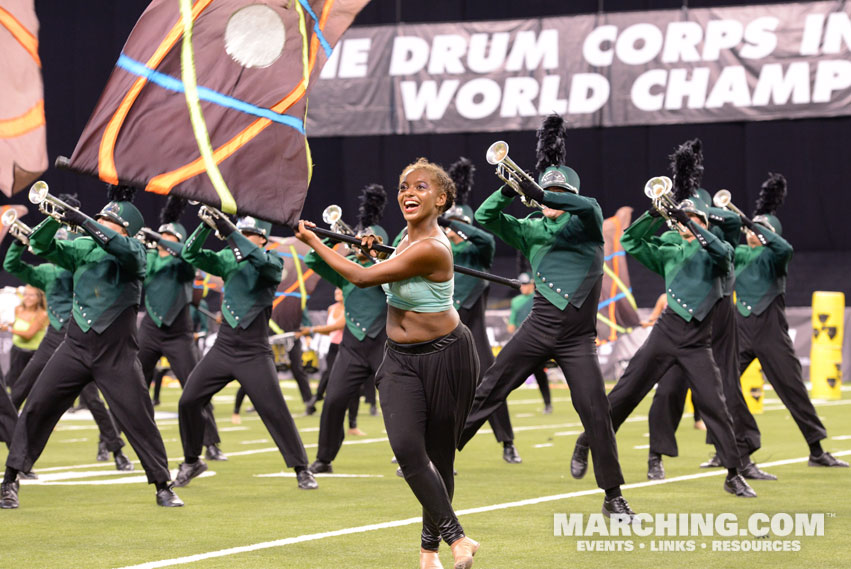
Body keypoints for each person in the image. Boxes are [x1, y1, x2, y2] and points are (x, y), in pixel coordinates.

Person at [296, 157, 480, 569]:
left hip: (448, 356)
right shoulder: (405, 239)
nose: (408, 193)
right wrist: (370, 247)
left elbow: (362, 278)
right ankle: (458, 540)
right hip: (399, 359)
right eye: (403, 187)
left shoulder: (432, 247)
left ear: (442, 198)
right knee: (407, 449)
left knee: (440, 457)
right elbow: (381, 262)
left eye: (420, 187)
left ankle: (429, 551)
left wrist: (315, 242)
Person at [457, 114, 632, 519]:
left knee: (596, 413)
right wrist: (510, 188)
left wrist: (543, 191)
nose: (550, 199)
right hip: (537, 328)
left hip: (577, 340)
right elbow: (485, 218)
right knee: (488, 390)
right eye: (546, 191)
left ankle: (613, 496)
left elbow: (588, 205)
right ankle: (438, 456)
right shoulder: (531, 228)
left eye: (558, 192)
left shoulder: (585, 224)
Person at [1, 187, 182, 509]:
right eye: (97, 217)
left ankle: (162, 485)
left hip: (117, 355)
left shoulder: (135, 251)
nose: (97, 222)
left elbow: (120, 248)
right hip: (75, 345)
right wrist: (54, 218)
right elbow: (40, 245)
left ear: (125, 229)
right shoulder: (83, 247)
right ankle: (10, 480)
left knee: (139, 417)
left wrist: (83, 220)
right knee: (37, 407)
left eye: (105, 220)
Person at [570, 196, 757, 498]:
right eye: (684, 218)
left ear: (705, 223)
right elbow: (630, 240)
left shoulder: (719, 251)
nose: (686, 222)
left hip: (697, 341)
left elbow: (721, 253)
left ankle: (734, 474)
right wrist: (655, 214)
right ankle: (585, 441)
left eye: (695, 218)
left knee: (715, 404)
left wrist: (688, 221)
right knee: (624, 394)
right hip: (665, 333)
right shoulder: (670, 249)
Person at [175, 214, 317, 490]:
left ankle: (302, 468)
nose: (236, 238)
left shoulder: (274, 261)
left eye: (246, 233)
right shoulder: (227, 259)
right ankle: (192, 461)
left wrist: (231, 232)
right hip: (224, 346)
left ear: (262, 238)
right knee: (188, 400)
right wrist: (206, 224)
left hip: (254, 350)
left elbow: (261, 263)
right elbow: (190, 253)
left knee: (274, 410)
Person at [3, 207, 134, 472]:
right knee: (18, 391)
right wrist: (20, 241)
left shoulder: (84, 263)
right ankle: (16, 453)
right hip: (55, 338)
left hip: (80, 336)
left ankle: (117, 450)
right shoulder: (49, 272)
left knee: (94, 401)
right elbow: (11, 266)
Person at [732, 173, 847, 468]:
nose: (751, 234)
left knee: (792, 389)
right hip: (740, 328)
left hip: (770, 331)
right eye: (749, 230)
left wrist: (757, 225)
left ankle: (816, 450)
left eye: (758, 231)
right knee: (720, 385)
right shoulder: (740, 252)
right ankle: (727, 449)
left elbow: (784, 247)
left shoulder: (776, 256)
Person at [440, 157, 522, 464]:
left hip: (473, 331)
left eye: (459, 226)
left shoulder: (478, 251)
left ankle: (507, 442)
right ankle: (429, 447)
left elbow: (485, 237)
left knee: (489, 384)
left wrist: (453, 222)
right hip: (441, 328)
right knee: (436, 390)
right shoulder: (436, 248)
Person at [305, 183, 391, 475]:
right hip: (352, 346)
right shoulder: (347, 267)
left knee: (400, 403)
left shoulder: (392, 268)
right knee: (334, 400)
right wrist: (334, 239)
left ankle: (416, 457)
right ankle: (324, 458)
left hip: (384, 343)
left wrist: (376, 254)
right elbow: (312, 259)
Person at [136, 198, 225, 462]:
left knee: (196, 387)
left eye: (169, 237)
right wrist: (154, 244)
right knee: (130, 383)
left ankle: (211, 443)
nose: (162, 241)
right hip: (150, 328)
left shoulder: (185, 259)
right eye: (161, 235)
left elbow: (186, 254)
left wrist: (163, 241)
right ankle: (111, 442)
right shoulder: (149, 257)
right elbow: (143, 265)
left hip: (179, 330)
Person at [506, 272, 552, 414]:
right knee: (509, 374)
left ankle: (548, 404)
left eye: (525, 284)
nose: (523, 287)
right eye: (521, 284)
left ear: (532, 284)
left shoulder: (539, 298)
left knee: (540, 375)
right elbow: (511, 326)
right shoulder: (517, 302)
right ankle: (501, 405)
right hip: (524, 342)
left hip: (540, 341)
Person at [0, 285, 47, 392]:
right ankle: (14, 407)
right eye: (25, 294)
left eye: (31, 295)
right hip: (16, 351)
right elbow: (16, 324)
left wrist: (8, 329)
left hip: (33, 354)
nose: (27, 297)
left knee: (31, 384)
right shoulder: (18, 309)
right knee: (13, 381)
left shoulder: (42, 314)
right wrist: (6, 326)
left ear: (39, 298)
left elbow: (28, 334)